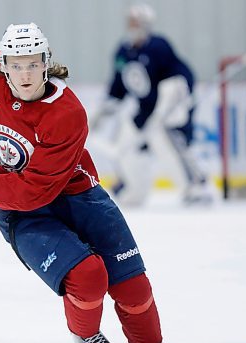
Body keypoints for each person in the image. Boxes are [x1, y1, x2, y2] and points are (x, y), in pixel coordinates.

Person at [0, 22, 172, 343]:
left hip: (78, 196)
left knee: (134, 289)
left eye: (34, 64)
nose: (25, 75)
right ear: (3, 67)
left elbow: (35, 188)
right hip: (22, 215)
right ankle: (86, 335)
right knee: (88, 276)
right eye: (16, 66)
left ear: (46, 63)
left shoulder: (67, 114)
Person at [90, 3, 212, 206]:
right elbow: (117, 88)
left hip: (164, 112)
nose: (133, 26)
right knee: (124, 145)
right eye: (130, 22)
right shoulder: (123, 52)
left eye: (137, 22)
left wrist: (180, 97)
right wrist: (103, 111)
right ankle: (133, 188)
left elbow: (179, 76)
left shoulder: (158, 46)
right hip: (143, 110)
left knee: (165, 141)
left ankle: (195, 186)